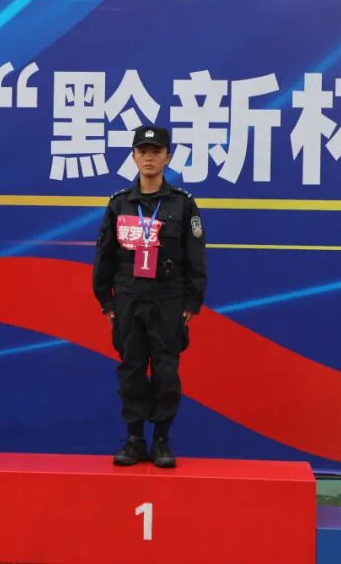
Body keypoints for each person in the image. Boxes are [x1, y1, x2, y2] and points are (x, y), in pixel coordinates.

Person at [93, 125, 207, 468]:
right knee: (130, 369)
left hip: (168, 297)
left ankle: (160, 440)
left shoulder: (182, 203)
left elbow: (196, 255)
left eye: (156, 152)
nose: (149, 158)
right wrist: (106, 301)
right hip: (128, 296)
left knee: (166, 371)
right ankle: (134, 439)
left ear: (167, 157)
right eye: (142, 151)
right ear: (133, 156)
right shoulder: (119, 203)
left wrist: (192, 301)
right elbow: (105, 255)